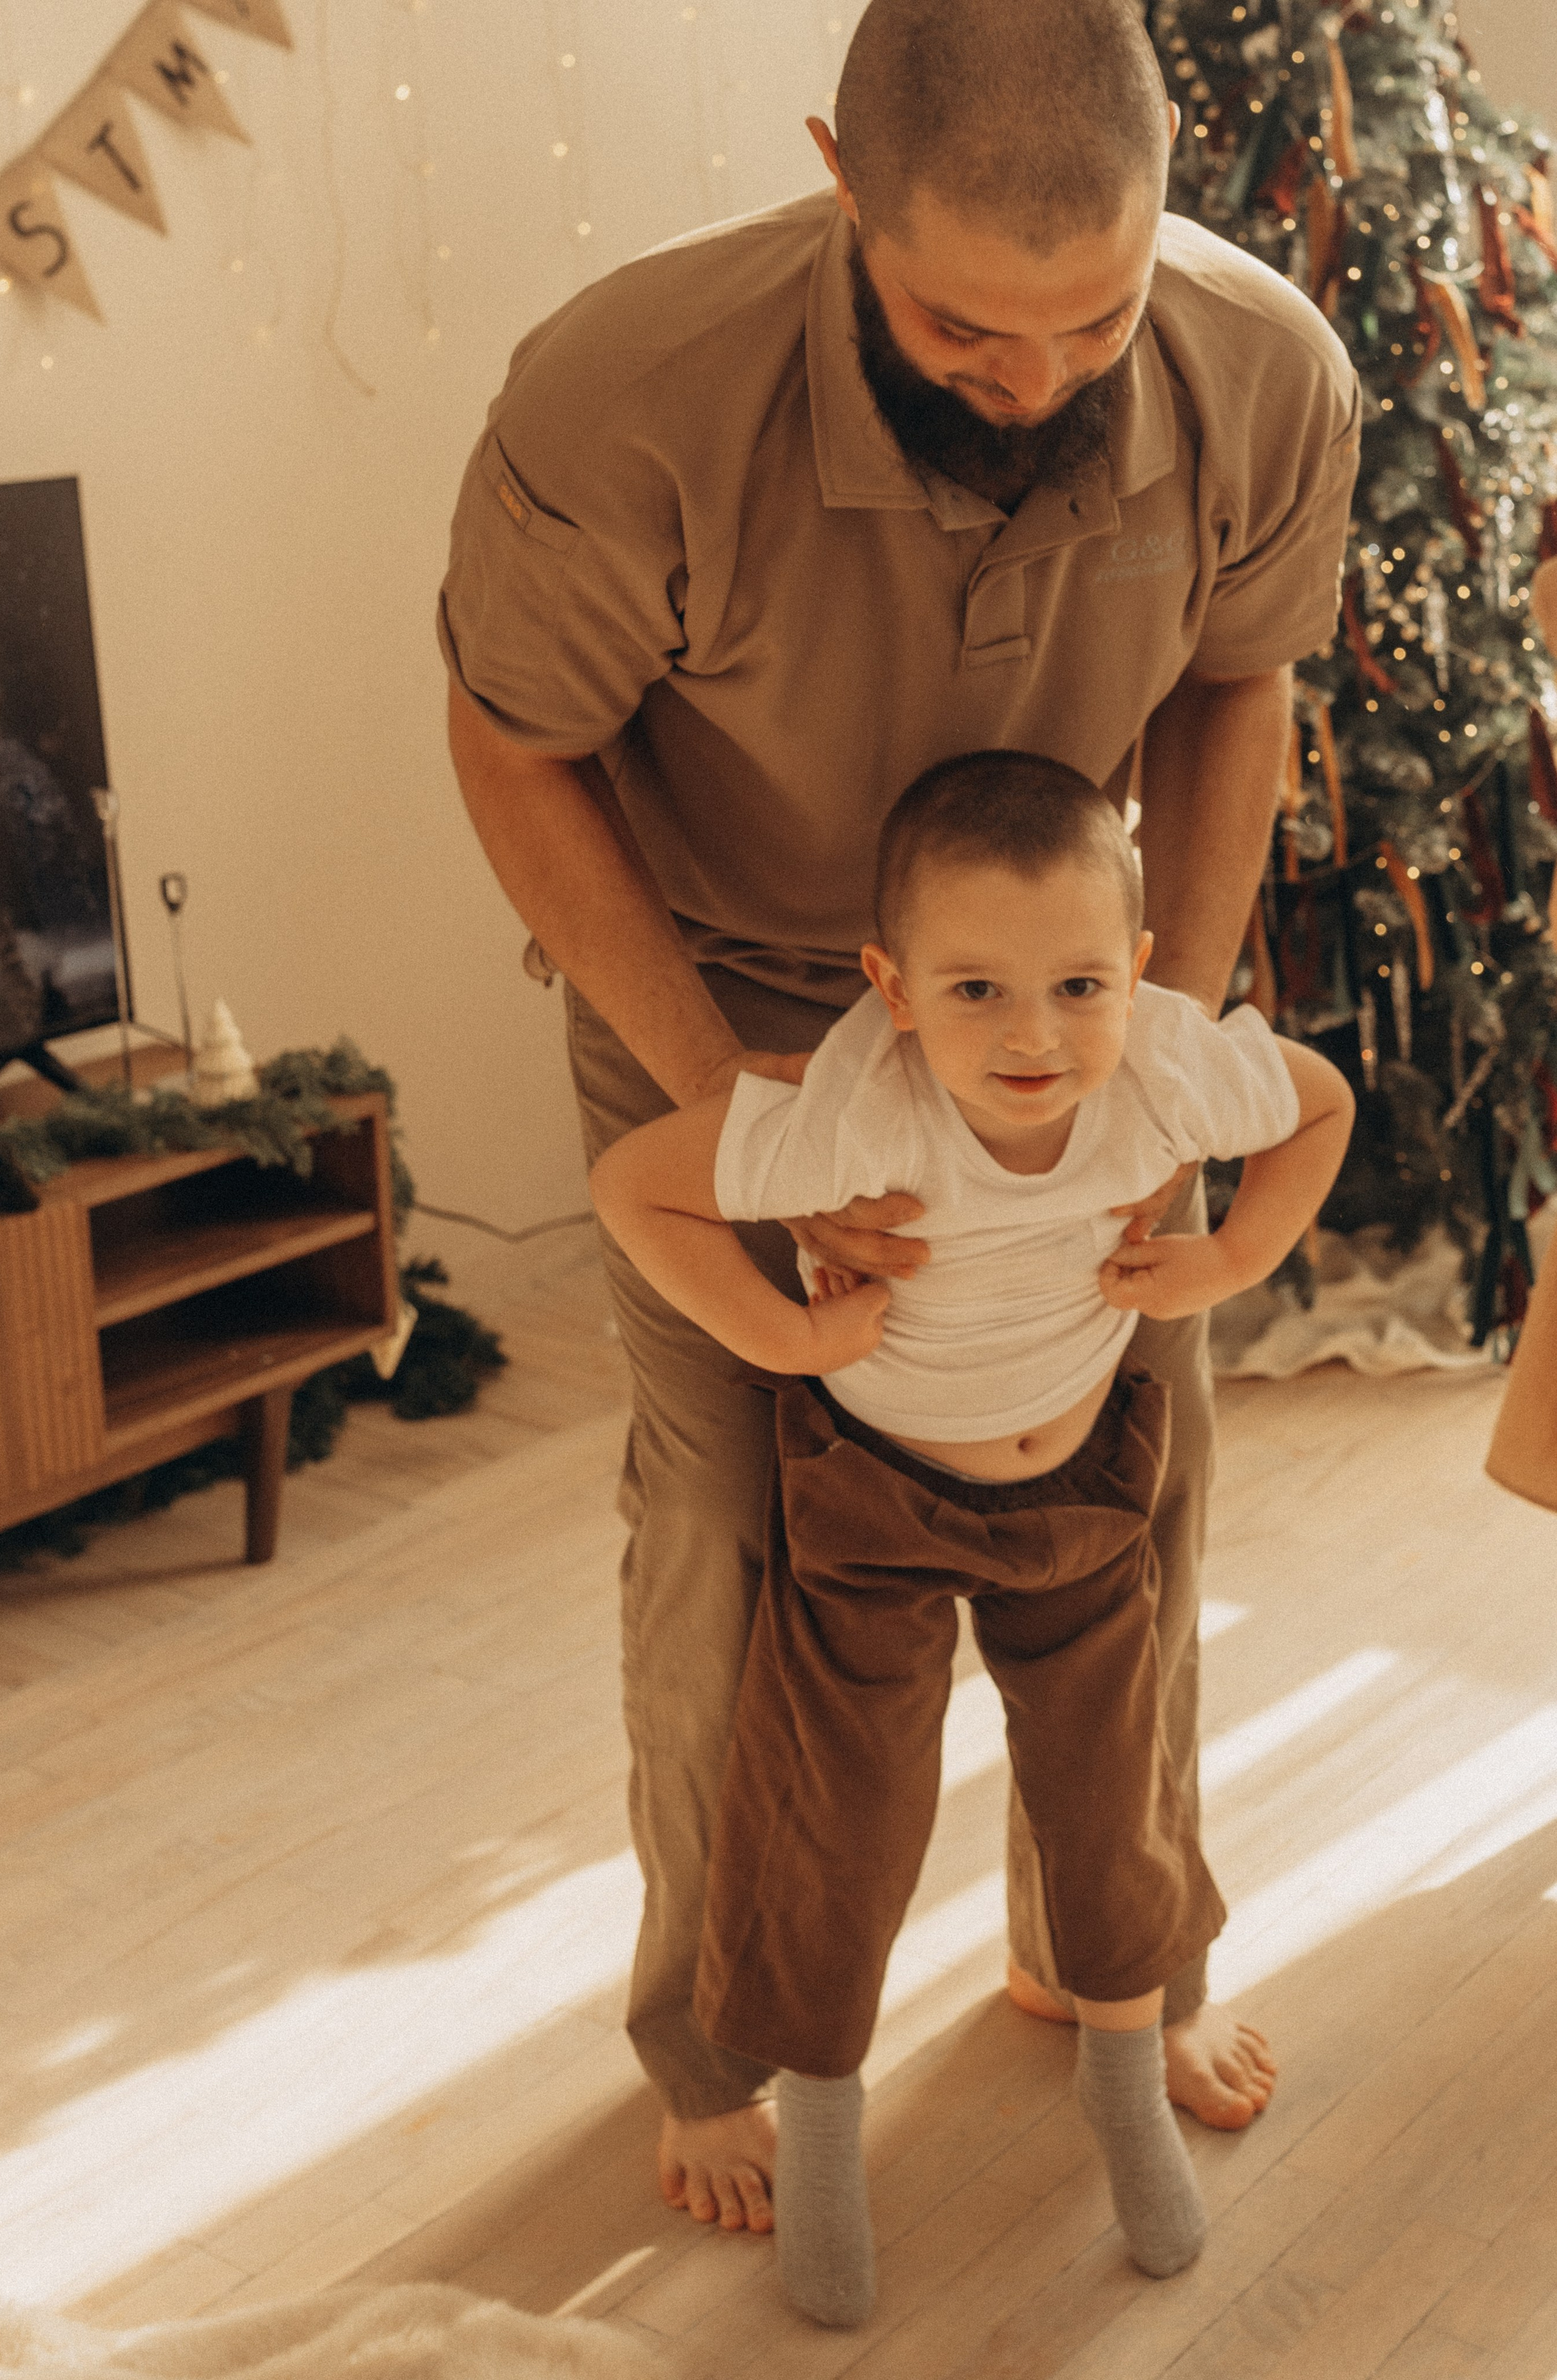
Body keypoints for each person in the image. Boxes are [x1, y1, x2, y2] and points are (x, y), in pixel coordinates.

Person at [440, 0, 1361, 2230]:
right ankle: (719, 2037)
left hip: (1073, 1012)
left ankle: (1104, 1957)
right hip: (731, 1008)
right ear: (839, 176)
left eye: (1099, 314)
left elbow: (1243, 687)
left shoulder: (1265, 372)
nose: (1037, 377)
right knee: (736, 1540)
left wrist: (1167, 1044)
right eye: (967, 324)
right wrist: (756, 1131)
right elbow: (511, 743)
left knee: (1147, 1488)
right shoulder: (624, 396)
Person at [589, 752, 1354, 2322]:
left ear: (1137, 974)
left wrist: (1228, 1263)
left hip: (1077, 1498)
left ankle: (1121, 2083)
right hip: (873, 1507)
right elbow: (633, 1189)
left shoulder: (1159, 1070)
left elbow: (1320, 1105)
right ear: (891, 988)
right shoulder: (846, 1115)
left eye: (1078, 984)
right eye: (977, 989)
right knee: (838, 1818)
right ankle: (818, 2125)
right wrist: (780, 1340)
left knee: (1108, 1798)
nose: (1031, 1034)